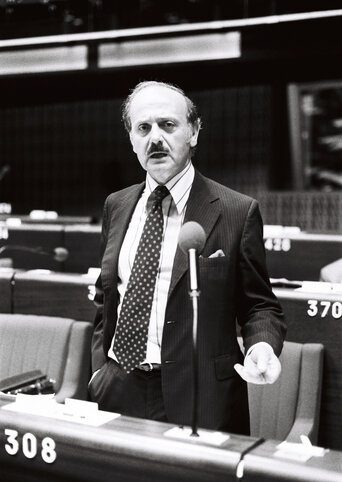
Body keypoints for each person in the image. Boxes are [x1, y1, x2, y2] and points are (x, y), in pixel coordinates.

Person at [89, 80, 287, 435]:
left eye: (168, 125)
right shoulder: (116, 205)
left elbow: (260, 306)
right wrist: (99, 370)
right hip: (116, 388)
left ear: (193, 132)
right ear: (132, 139)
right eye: (143, 128)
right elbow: (107, 296)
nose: (155, 138)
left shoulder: (236, 211)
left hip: (199, 397)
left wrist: (262, 345)